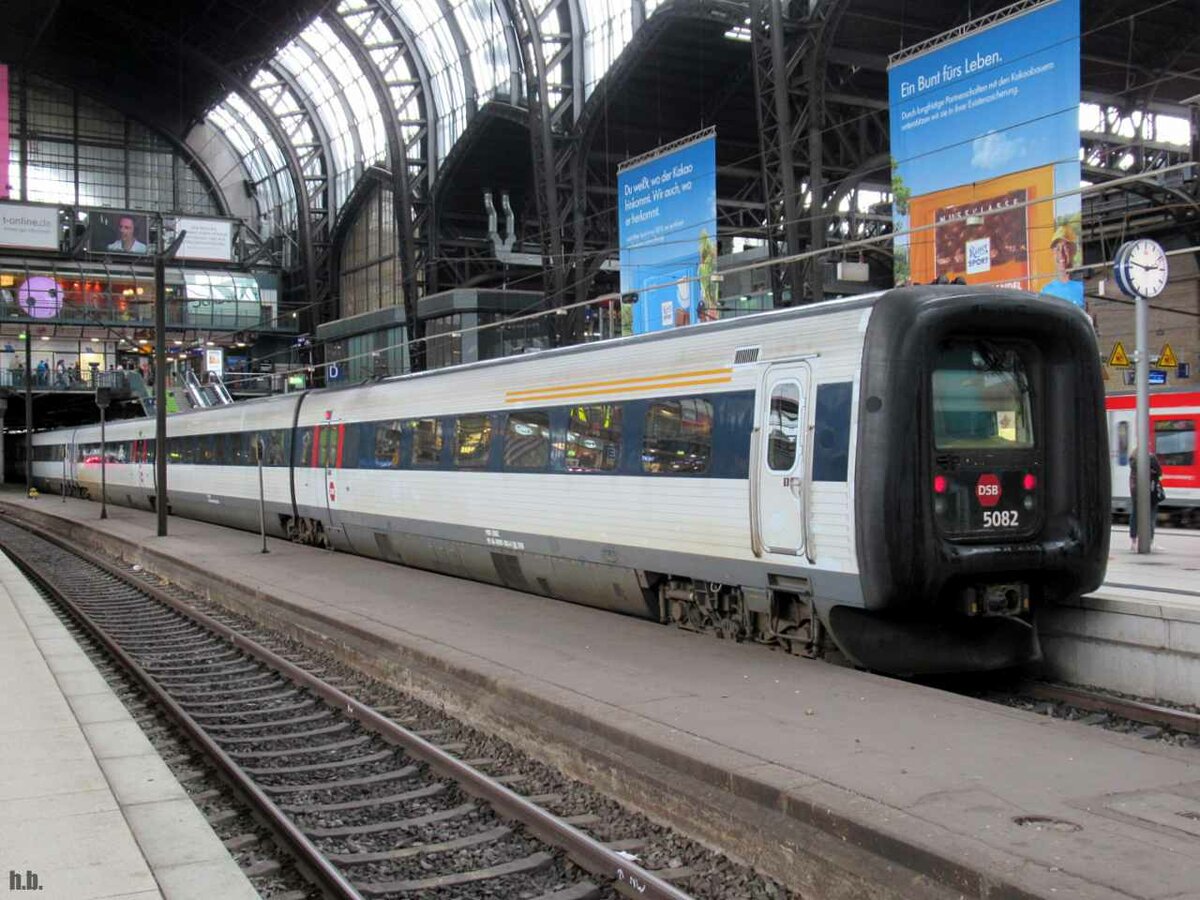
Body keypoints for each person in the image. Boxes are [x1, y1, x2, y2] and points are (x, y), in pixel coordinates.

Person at [1039, 223, 1084, 307]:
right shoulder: (1045, 292)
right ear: (1053, 253)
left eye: (1065, 247)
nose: (1061, 253)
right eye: (1057, 249)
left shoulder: (1083, 286)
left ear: (1074, 250)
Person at [1128, 447, 1164, 551]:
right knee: (1151, 516)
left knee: (1135, 515)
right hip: (1150, 491)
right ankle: (1150, 541)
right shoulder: (1151, 457)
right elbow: (1159, 472)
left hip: (1135, 491)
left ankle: (1133, 542)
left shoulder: (1133, 460)